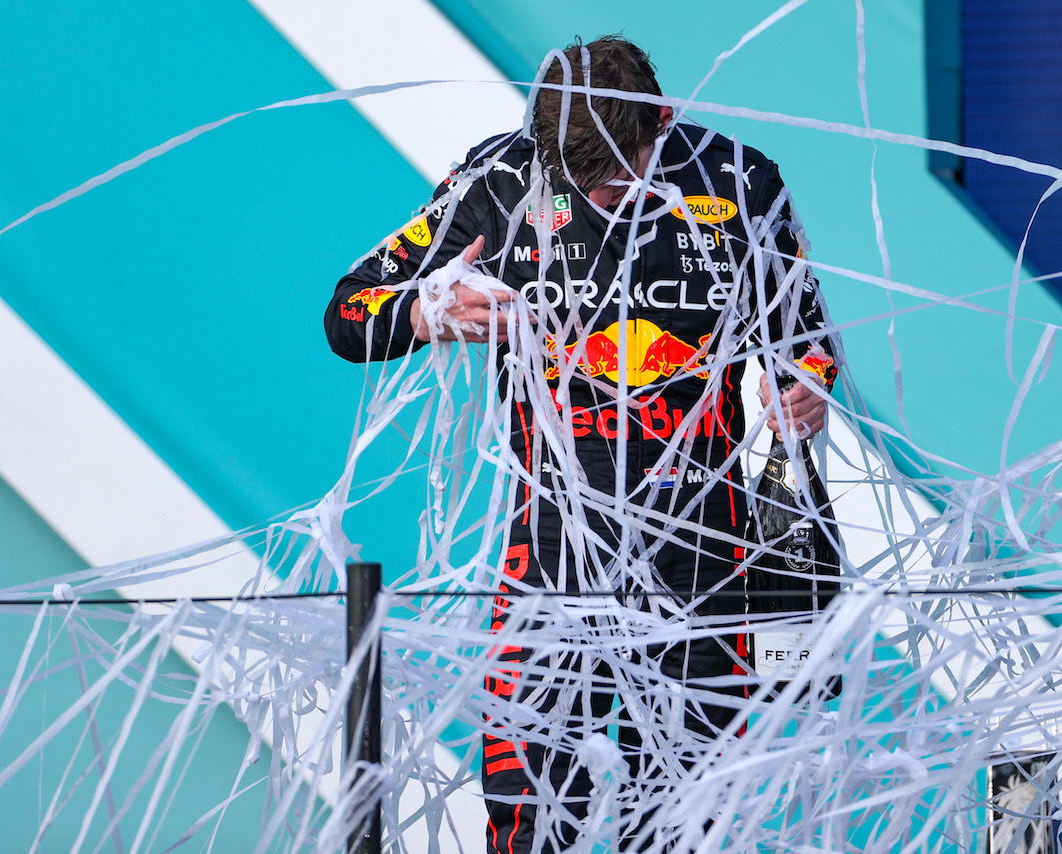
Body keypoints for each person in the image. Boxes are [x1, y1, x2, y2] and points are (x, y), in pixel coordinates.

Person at [325, 36, 840, 854]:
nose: (600, 195)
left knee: (682, 823)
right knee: (524, 814)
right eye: (577, 178)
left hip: (704, 553)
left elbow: (807, 338)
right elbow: (346, 314)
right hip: (553, 548)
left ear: (663, 123)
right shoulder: (499, 179)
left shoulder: (740, 181)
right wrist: (427, 313)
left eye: (617, 173)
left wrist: (807, 385)